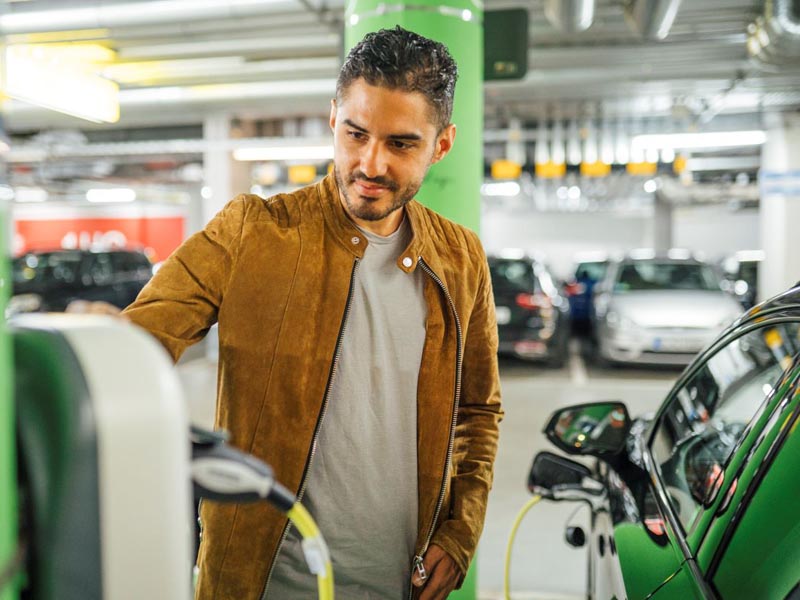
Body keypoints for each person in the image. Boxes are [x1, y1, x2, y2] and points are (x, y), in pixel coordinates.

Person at [122, 26, 502, 600]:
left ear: (441, 145)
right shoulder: (253, 231)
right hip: (261, 584)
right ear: (333, 118)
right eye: (356, 134)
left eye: (400, 144)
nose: (370, 163)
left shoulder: (461, 258)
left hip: (402, 581)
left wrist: (461, 530)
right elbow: (138, 341)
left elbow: (479, 410)